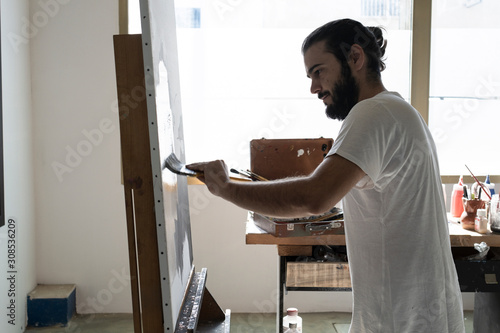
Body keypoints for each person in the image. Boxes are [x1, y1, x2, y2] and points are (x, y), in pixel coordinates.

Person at [188, 18, 465, 333]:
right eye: (309, 76)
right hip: (415, 314)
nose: (313, 88)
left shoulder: (372, 114)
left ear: (355, 58)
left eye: (319, 71)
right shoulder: (398, 110)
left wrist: (226, 188)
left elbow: (313, 197)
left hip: (404, 319)